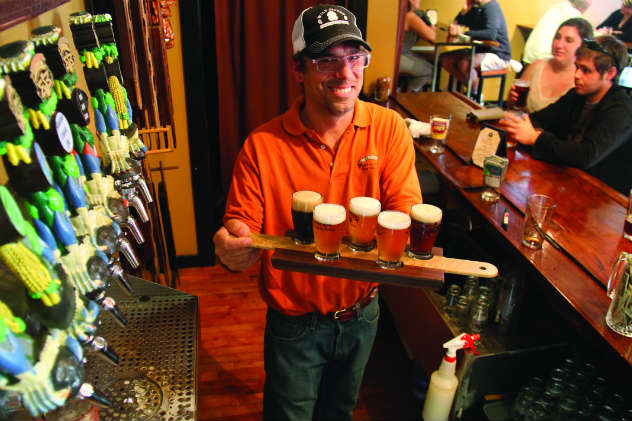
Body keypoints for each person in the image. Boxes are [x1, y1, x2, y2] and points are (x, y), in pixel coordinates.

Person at [212, 4, 422, 420]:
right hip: (295, 323)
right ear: (299, 70)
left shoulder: (389, 128)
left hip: (364, 312)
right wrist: (234, 241)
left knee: (339, 413)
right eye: (326, 60)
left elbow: (406, 210)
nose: (345, 74)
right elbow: (242, 223)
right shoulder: (263, 145)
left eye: (353, 58)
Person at [499, 35, 632, 194]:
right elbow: (540, 119)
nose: (576, 75)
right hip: (566, 180)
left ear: (610, 73)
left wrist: (535, 138)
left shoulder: (621, 110)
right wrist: (515, 122)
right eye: (577, 67)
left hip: (602, 197)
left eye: (586, 70)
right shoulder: (577, 95)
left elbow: (586, 155)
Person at [509, 18, 594, 113]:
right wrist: (512, 100)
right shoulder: (536, 66)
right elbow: (514, 108)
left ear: (583, 47)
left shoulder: (581, 80)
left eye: (568, 40)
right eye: (557, 37)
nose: (559, 45)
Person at [439, 0, 511, 94]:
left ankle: (474, 95)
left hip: (498, 54)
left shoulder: (492, 7)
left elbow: (490, 34)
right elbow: (458, 24)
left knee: (465, 63)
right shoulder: (476, 8)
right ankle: (464, 91)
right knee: (445, 59)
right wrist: (464, 11)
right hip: (478, 50)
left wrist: (463, 32)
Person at [522, 0, 592, 65]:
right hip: (544, 58)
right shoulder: (573, 14)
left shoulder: (558, 7)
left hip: (529, 55)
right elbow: (587, 34)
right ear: (580, 9)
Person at [399, 0, 437, 92]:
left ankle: (403, 89)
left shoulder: (402, 13)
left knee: (425, 60)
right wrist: (431, 27)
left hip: (399, 54)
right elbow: (432, 36)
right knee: (430, 70)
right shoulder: (411, 16)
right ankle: (408, 94)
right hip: (398, 58)